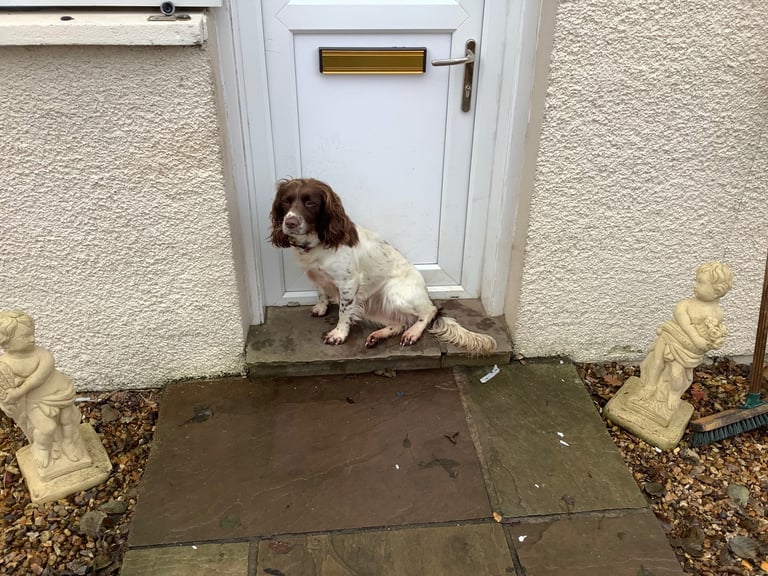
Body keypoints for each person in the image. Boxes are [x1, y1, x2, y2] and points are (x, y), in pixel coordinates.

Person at [636, 262, 732, 425]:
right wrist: (696, 339)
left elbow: (713, 333)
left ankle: (673, 394)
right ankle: (650, 386)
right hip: (670, 337)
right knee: (657, 362)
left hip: (687, 351)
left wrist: (714, 341)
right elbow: (686, 324)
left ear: (717, 290)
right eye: (696, 281)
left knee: (676, 374)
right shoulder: (685, 304)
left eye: (700, 282)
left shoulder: (718, 313)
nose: (695, 286)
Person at [0, 311, 84, 469]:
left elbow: (39, 377)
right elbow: (5, 387)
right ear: (7, 343)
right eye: (24, 336)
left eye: (32, 334)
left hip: (60, 393)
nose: (32, 338)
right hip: (34, 402)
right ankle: (43, 448)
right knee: (47, 427)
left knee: (68, 420)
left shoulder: (42, 355)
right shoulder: (5, 365)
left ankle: (68, 442)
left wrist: (19, 390)